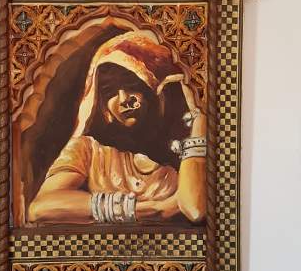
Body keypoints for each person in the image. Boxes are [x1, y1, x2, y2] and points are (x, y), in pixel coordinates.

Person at [28, 31, 206, 225]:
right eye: (109, 91)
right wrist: (149, 210)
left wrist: (199, 116)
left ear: (157, 88)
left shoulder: (184, 147)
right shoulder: (89, 149)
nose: (123, 100)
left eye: (132, 85)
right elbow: (41, 207)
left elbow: (195, 209)